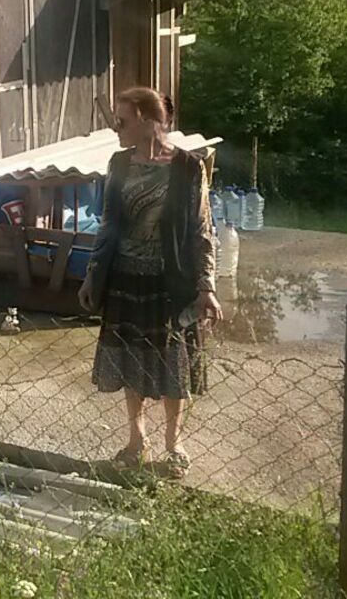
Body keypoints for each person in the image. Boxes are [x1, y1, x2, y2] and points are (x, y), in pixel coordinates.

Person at [77, 87, 222, 478]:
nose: (116, 128)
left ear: (145, 119)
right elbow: (108, 224)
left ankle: (174, 445)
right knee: (130, 360)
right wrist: (93, 273)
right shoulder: (119, 163)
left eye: (122, 121)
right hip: (124, 279)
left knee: (173, 365)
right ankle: (137, 440)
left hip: (169, 283)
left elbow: (202, 230)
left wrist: (206, 286)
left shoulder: (188, 167)